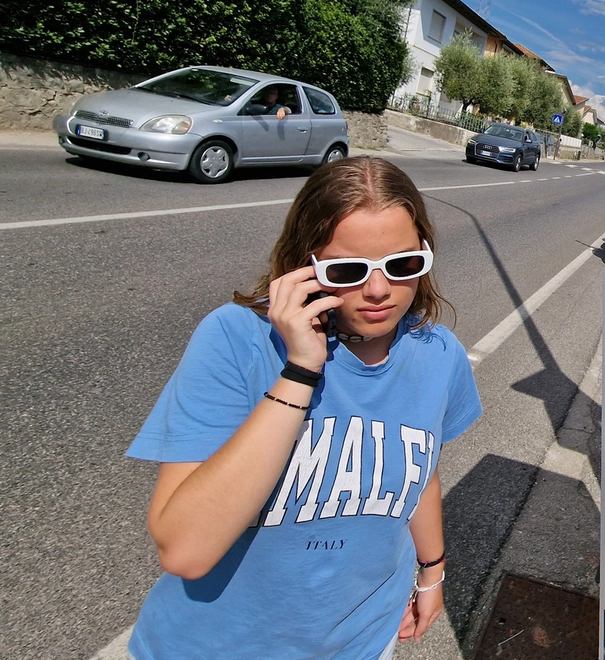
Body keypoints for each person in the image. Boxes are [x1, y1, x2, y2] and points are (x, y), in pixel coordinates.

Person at [125, 156, 482, 659]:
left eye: (402, 265)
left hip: (362, 641)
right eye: (347, 270)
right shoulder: (236, 339)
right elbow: (186, 550)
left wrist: (432, 575)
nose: (378, 290)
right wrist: (299, 370)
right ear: (305, 265)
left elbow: (421, 473)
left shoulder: (439, 353)